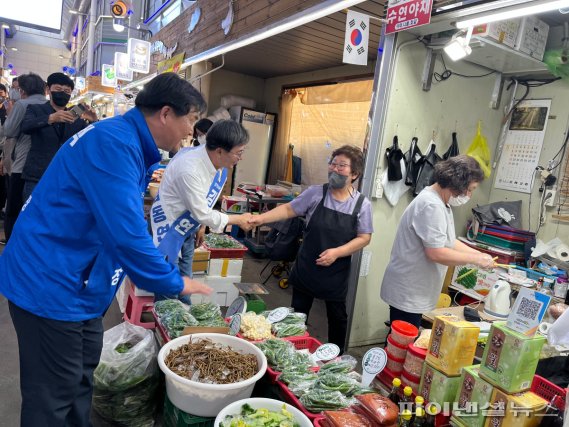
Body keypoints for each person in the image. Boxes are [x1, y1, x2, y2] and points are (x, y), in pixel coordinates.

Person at [0, 72, 213, 427]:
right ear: (165, 114)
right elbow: (126, 233)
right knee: (52, 396)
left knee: (80, 379)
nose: (190, 131)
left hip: (81, 285)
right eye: (190, 119)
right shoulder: (115, 143)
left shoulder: (130, 143)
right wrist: (174, 282)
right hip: (51, 283)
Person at [248, 145, 373, 351]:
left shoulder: (362, 204)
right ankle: (293, 353)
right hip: (307, 267)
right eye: (332, 163)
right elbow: (289, 209)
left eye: (342, 166)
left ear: (355, 174)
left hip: (336, 272)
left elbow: (364, 237)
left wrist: (337, 252)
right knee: (298, 315)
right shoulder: (316, 193)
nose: (334, 169)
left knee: (337, 318)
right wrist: (259, 219)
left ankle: (336, 359)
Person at [380, 155, 495, 328]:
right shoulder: (431, 205)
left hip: (416, 287)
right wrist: (476, 260)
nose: (469, 195)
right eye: (470, 189)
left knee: (403, 340)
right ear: (457, 183)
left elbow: (449, 241)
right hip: (409, 289)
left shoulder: (441, 203)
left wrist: (479, 254)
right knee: (402, 342)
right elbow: (436, 252)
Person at [151, 119, 252, 301]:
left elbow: (203, 201)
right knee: (168, 291)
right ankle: (163, 326)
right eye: (239, 153)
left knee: (185, 285)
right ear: (220, 151)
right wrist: (238, 220)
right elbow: (202, 212)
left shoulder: (215, 162)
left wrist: (201, 227)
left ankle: (184, 322)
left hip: (187, 231)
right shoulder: (189, 168)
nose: (241, 158)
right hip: (169, 231)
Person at [20, 72, 98, 200]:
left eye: (67, 91)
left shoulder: (77, 118)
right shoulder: (36, 109)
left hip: (66, 177)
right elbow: (26, 127)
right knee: (32, 215)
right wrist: (50, 118)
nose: (62, 93)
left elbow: (92, 140)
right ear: (48, 90)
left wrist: (94, 121)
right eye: (58, 89)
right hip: (37, 175)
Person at [1, 73, 47, 242]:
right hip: (44, 166)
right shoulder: (50, 105)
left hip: (21, 164)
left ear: (23, 90)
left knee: (13, 208)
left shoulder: (22, 104)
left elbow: (9, 131)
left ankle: (12, 243)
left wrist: (10, 113)